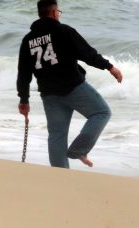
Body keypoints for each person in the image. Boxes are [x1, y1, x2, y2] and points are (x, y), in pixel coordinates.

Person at [16, 0, 122, 168]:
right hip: (73, 87)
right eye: (58, 11)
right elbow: (88, 54)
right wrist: (109, 67)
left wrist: (24, 99)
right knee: (102, 113)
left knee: (57, 135)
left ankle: (60, 174)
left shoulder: (28, 40)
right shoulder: (63, 31)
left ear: (39, 14)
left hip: (49, 94)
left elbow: (24, 73)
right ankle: (79, 150)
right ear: (54, 13)